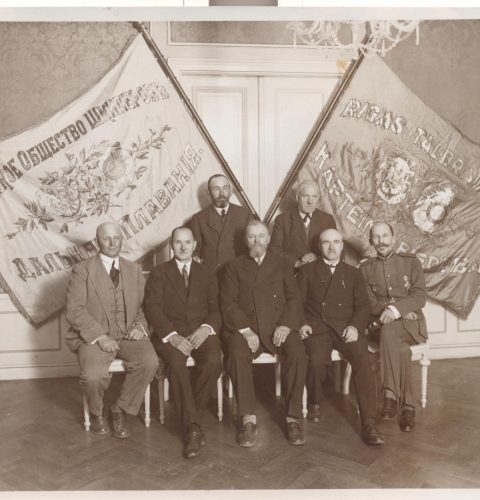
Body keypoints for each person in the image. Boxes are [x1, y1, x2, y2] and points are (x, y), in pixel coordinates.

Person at [65, 222, 159, 439]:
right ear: (97, 242)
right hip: (95, 337)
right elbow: (74, 310)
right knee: (92, 375)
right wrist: (100, 336)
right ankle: (97, 413)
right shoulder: (82, 270)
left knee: (149, 362)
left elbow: (146, 306)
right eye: (106, 238)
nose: (112, 242)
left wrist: (139, 326)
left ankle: (120, 409)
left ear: (121, 239)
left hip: (128, 334)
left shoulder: (134, 270)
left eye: (116, 237)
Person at [221, 220, 307, 447]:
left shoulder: (282, 264)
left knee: (298, 351)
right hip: (247, 329)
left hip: (278, 327)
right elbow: (228, 303)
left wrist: (286, 325)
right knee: (236, 352)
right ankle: (247, 418)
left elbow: (294, 298)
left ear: (269, 239)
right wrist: (246, 330)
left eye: (261, 236)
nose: (257, 241)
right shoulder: (234, 266)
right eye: (252, 236)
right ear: (245, 240)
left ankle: (293, 417)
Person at [296, 229, 385, 445]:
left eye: (336, 242)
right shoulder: (307, 271)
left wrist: (355, 326)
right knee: (316, 360)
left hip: (346, 329)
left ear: (342, 246)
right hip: (318, 327)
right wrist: (302, 324)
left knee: (364, 360)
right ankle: (315, 401)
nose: (332, 247)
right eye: (326, 243)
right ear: (319, 247)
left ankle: (369, 422)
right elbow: (295, 303)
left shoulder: (353, 273)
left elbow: (363, 307)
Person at [144, 227, 222, 458]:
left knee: (213, 362)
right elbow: (152, 308)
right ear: (171, 244)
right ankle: (194, 427)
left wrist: (206, 329)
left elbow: (216, 309)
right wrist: (172, 336)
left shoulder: (207, 273)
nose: (183, 246)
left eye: (187, 242)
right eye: (178, 242)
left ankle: (190, 420)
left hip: (201, 332)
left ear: (195, 245)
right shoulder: (159, 273)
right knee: (177, 364)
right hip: (170, 336)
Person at [360, 221, 427, 432]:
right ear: (371, 241)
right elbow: (368, 302)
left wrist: (395, 311)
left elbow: (419, 295)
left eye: (385, 236)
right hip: (382, 324)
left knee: (391, 333)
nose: (381, 241)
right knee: (401, 349)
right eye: (376, 237)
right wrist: (395, 309)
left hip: (411, 325)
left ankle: (389, 394)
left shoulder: (411, 262)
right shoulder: (365, 268)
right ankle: (408, 407)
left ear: (393, 237)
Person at [189, 174, 253, 277]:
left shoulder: (245, 214)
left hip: (239, 275)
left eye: (225, 188)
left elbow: (252, 247)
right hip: (211, 277)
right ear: (208, 192)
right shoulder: (199, 219)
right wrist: (195, 257)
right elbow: (194, 250)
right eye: (216, 189)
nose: (222, 193)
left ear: (230, 190)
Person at [270, 179, 336, 269]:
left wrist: (318, 257)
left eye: (314, 196)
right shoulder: (282, 220)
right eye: (306, 196)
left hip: (320, 274)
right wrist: (295, 263)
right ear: (297, 197)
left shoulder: (327, 219)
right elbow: (273, 250)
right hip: (292, 275)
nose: (310, 201)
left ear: (318, 198)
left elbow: (338, 250)